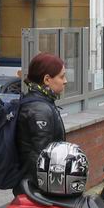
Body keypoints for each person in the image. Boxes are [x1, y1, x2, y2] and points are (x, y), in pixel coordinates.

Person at [13, 53, 67, 195]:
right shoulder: (39, 110)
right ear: (47, 79)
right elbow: (41, 156)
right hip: (36, 189)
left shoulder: (42, 102)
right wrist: (50, 190)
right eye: (62, 77)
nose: (65, 81)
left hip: (33, 185)